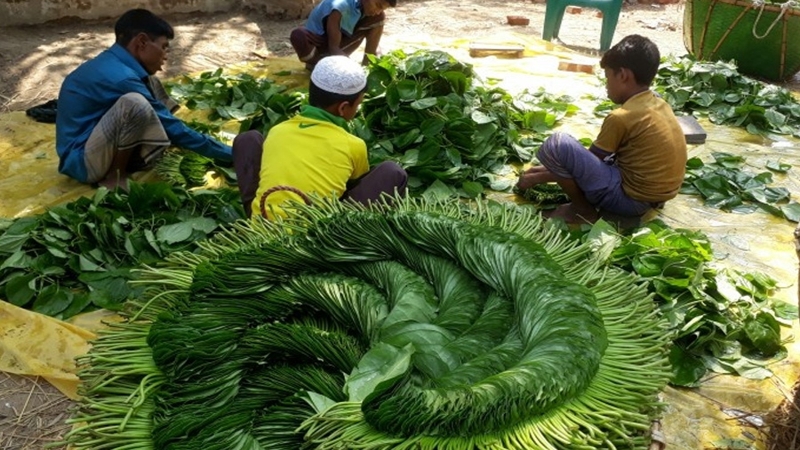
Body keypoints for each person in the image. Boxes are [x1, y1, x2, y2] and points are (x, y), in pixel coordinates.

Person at [517, 34, 686, 224]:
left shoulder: (621, 117)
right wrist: (544, 173)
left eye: (607, 78)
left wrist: (539, 177)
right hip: (658, 197)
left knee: (557, 145)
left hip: (630, 201)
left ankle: (581, 210)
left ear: (623, 75)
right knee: (595, 156)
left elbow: (584, 172)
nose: (606, 86)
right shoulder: (659, 103)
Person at [55, 9, 232, 191]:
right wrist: (230, 153)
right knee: (136, 103)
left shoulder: (115, 63)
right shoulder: (122, 78)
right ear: (142, 42)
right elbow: (172, 127)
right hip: (83, 161)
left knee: (150, 83)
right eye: (163, 47)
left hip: (94, 142)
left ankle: (163, 142)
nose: (165, 55)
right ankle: (114, 176)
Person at [231, 55, 407, 218]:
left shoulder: (278, 130)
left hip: (262, 222)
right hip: (316, 239)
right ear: (343, 108)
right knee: (393, 172)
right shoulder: (353, 145)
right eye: (358, 104)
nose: (358, 109)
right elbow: (352, 185)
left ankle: (252, 213)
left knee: (247, 139)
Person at [290, 0, 397, 71]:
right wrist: (354, 71)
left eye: (382, 8)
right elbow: (334, 48)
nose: (377, 11)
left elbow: (372, 51)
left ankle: (366, 64)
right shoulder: (340, 6)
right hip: (321, 48)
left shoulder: (370, 12)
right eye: (378, 5)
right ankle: (318, 66)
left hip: (341, 45)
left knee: (379, 19)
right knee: (298, 35)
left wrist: (369, 67)